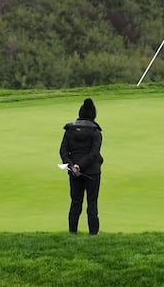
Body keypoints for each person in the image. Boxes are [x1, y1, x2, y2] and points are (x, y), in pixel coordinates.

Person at [59, 97, 103, 234]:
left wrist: (73, 166)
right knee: (92, 203)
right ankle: (93, 234)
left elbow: (63, 151)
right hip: (92, 172)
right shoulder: (95, 132)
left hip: (74, 172)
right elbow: (94, 153)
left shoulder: (69, 130)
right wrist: (79, 166)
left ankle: (72, 233)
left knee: (76, 202)